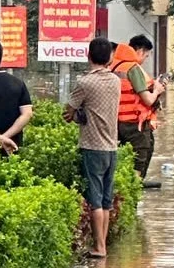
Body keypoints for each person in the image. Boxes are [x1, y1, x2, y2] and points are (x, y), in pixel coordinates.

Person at [63, 37, 121, 259]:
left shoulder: (85, 83)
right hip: (111, 147)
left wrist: (79, 116)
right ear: (109, 58)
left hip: (92, 146)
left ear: (88, 56)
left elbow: (68, 112)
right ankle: (102, 244)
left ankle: (99, 247)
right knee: (106, 200)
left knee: (95, 199)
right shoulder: (116, 81)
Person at [109, 36, 165, 179]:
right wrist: (157, 90)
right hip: (135, 125)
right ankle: (131, 193)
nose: (144, 59)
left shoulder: (113, 66)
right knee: (139, 162)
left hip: (116, 124)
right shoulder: (133, 68)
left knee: (122, 161)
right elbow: (147, 100)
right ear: (139, 51)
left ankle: (120, 193)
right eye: (146, 56)